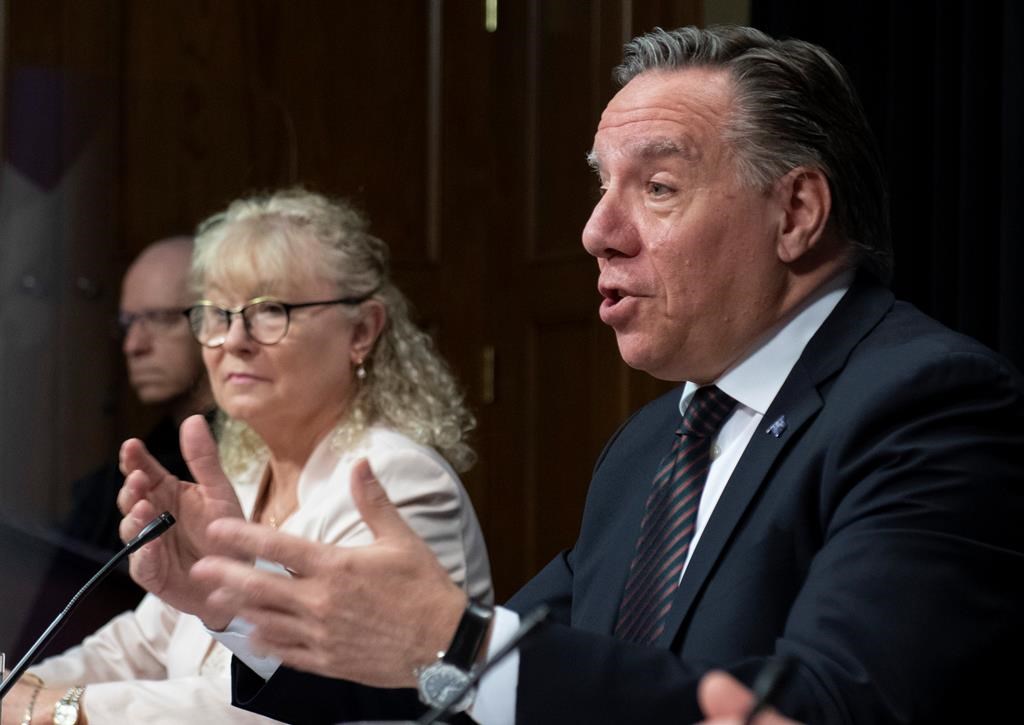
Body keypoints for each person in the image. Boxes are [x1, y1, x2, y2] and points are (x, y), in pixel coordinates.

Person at [120, 25, 1024, 724]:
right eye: (601, 187)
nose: (597, 230)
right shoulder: (650, 446)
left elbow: (822, 706)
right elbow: (455, 685)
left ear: (795, 212)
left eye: (657, 187)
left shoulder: (927, 405)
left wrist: (459, 643)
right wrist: (250, 613)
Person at [4, 189, 492, 725]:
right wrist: (25, 687)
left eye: (270, 312)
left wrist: (59, 711)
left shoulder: (396, 480)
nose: (234, 340)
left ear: (361, 330)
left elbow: (300, 709)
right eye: (216, 314)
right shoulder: (241, 476)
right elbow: (135, 646)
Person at [64, 236, 214, 557]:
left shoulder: (244, 458)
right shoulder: (115, 479)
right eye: (128, 322)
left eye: (161, 318)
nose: (133, 345)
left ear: (216, 319)